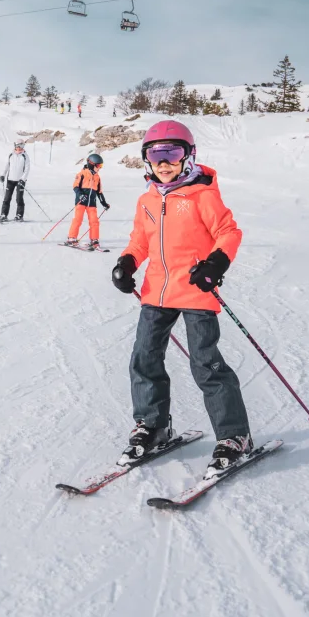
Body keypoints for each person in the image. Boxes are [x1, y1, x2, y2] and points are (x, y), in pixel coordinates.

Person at [111, 119, 251, 476]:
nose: (164, 162)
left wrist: (215, 263)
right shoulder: (146, 199)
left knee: (206, 363)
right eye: (155, 154)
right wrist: (127, 263)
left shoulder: (202, 194)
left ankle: (235, 436)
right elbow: (140, 241)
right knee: (144, 358)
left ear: (188, 156)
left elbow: (228, 232)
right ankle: (153, 425)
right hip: (155, 291)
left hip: (194, 289)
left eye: (172, 153)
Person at [64, 153, 110, 248]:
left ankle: (94, 240)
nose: (100, 168)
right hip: (81, 202)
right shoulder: (82, 174)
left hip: (92, 203)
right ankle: (71, 238)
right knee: (78, 220)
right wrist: (80, 195)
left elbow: (99, 192)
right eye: (98, 165)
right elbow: (75, 187)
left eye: (101, 166)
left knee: (94, 221)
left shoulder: (97, 177)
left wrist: (104, 203)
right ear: (91, 164)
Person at [0, 139, 31, 222]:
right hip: (10, 180)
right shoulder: (11, 155)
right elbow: (7, 165)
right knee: (7, 198)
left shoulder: (25, 156)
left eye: (21, 146)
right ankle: (3, 214)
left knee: (19, 198)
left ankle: (19, 215)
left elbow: (27, 169)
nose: (19, 148)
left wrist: (23, 179)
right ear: (15, 146)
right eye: (17, 146)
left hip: (20, 181)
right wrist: (3, 174)